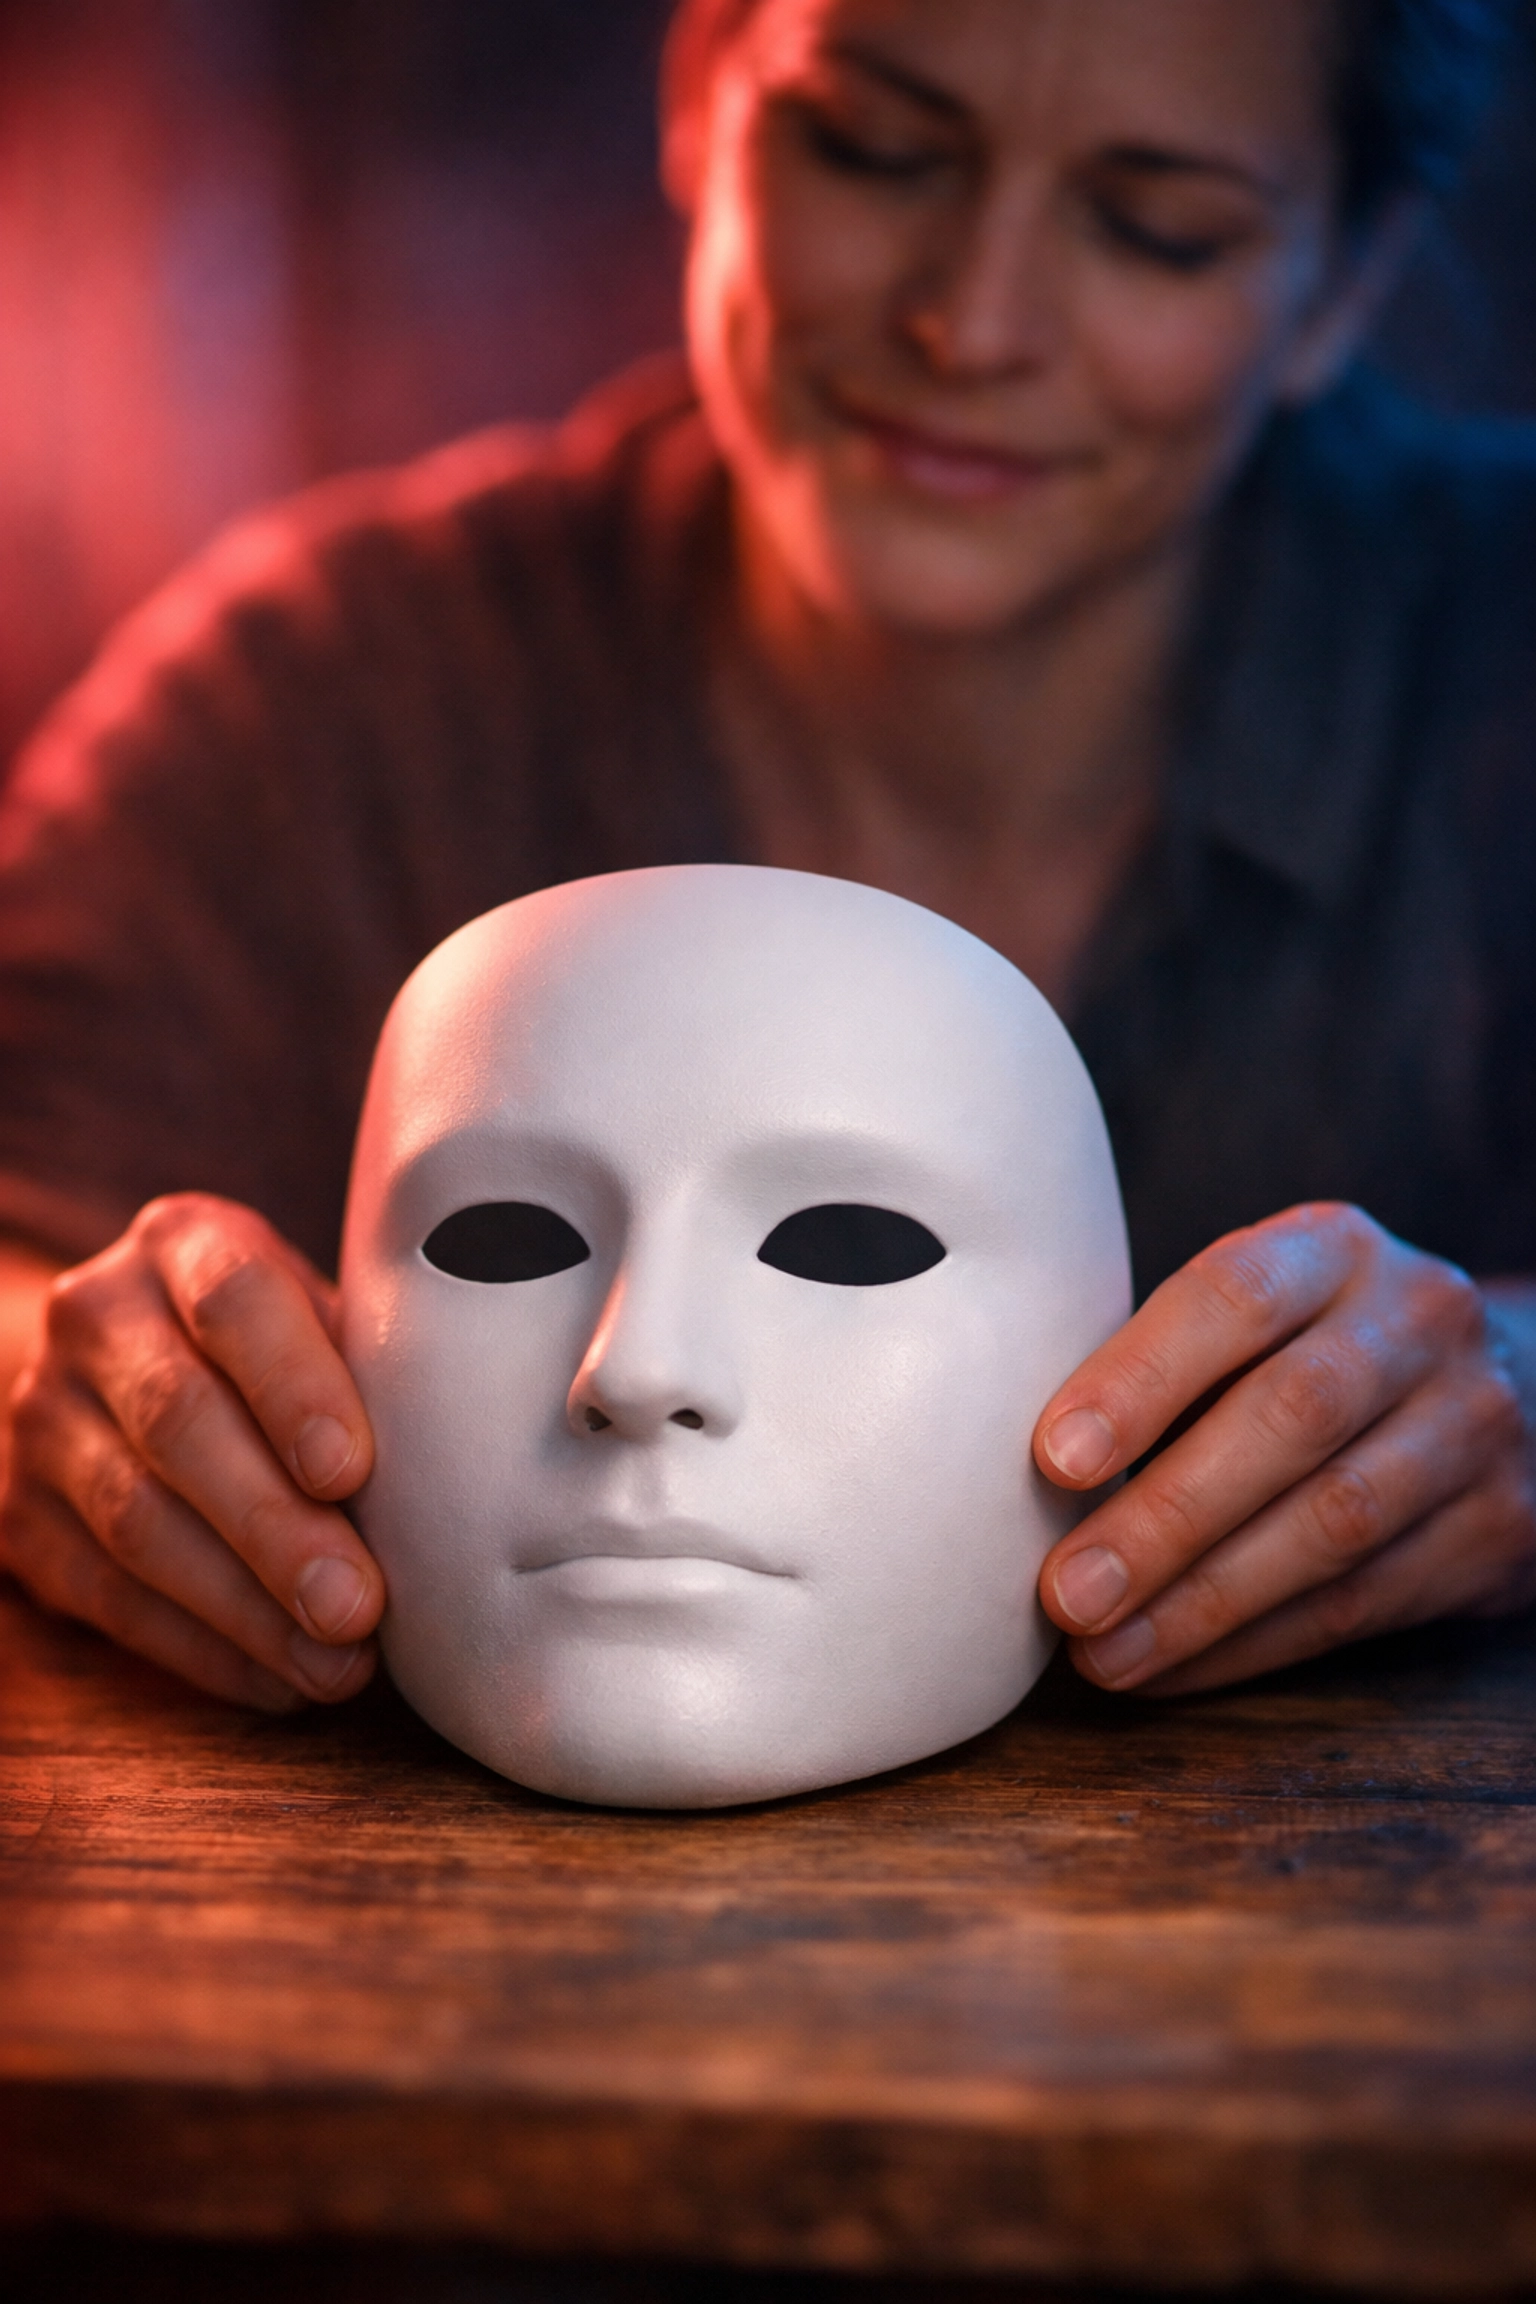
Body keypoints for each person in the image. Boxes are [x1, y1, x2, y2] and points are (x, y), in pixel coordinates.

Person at [0, 0, 1532, 1722]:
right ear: (701, 102)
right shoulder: (322, 699)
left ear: (1338, 279)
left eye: (1155, 228)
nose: (972, 319)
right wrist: (54, 1394)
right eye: (873, 149)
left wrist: (1523, 1387)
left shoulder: (1499, 673)